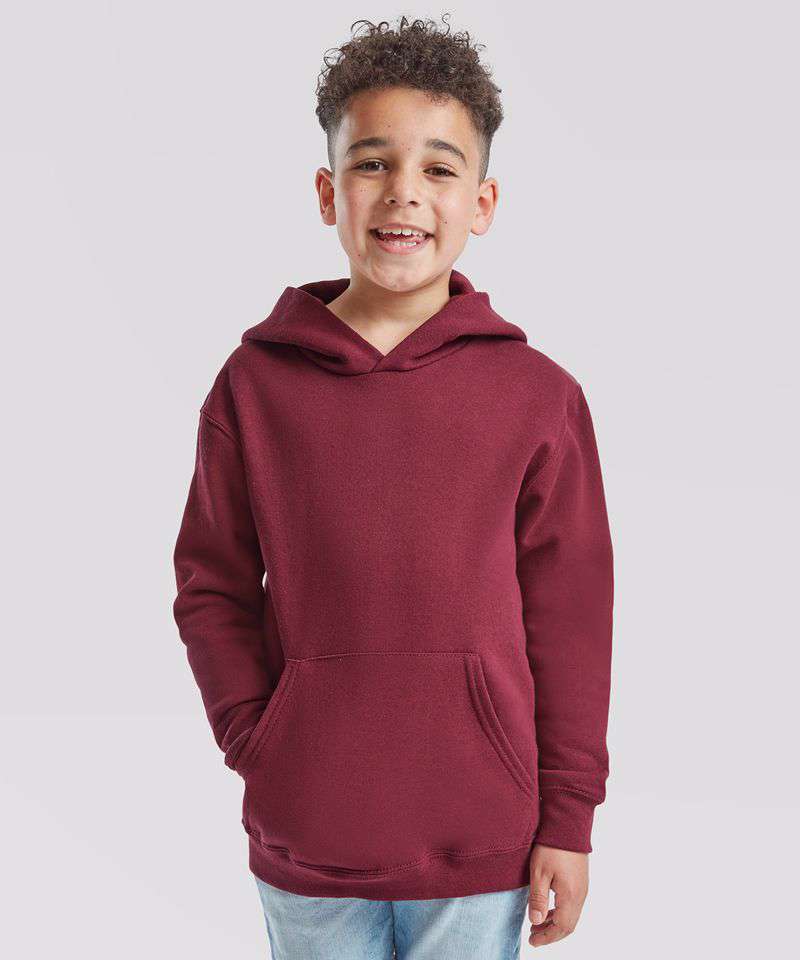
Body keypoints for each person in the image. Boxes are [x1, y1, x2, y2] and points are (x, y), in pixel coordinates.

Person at [172, 13, 614, 958]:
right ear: (328, 191)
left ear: (482, 202)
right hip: (308, 834)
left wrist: (569, 818)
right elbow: (211, 585)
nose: (404, 191)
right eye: (372, 163)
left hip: (484, 840)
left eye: (439, 169)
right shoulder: (253, 387)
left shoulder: (539, 398)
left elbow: (572, 621)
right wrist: (260, 740)